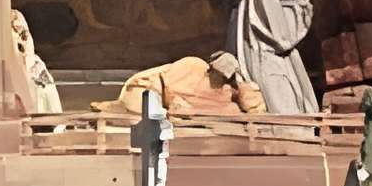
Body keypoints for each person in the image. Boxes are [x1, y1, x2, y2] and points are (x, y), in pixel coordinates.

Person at [228, 0, 321, 116]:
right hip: (270, 64)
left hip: (256, 62)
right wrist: (304, 3)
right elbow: (282, 38)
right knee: (285, 111)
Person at [97, 51, 265, 117]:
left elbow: (253, 108)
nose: (221, 80)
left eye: (225, 77)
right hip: (143, 91)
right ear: (211, 69)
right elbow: (162, 84)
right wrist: (174, 107)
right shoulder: (192, 66)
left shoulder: (229, 100)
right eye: (219, 75)